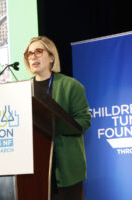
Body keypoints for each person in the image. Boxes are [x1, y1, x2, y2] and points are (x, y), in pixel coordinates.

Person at [23, 36, 91, 200]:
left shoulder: (71, 86)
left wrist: (57, 124)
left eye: (39, 51)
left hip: (66, 170)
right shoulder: (22, 89)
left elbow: (84, 121)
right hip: (33, 170)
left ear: (52, 57)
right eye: (29, 53)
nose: (33, 56)